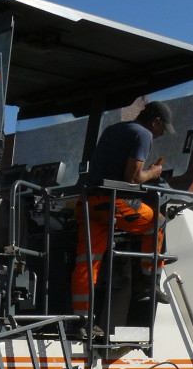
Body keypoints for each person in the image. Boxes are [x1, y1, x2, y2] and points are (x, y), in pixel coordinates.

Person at [72, 101, 174, 328]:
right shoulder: (143, 134)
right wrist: (154, 172)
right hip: (113, 202)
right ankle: (149, 280)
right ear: (155, 121)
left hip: (88, 202)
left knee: (87, 262)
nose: (159, 135)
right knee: (157, 222)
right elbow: (133, 178)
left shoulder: (112, 130)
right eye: (161, 129)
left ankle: (82, 320)